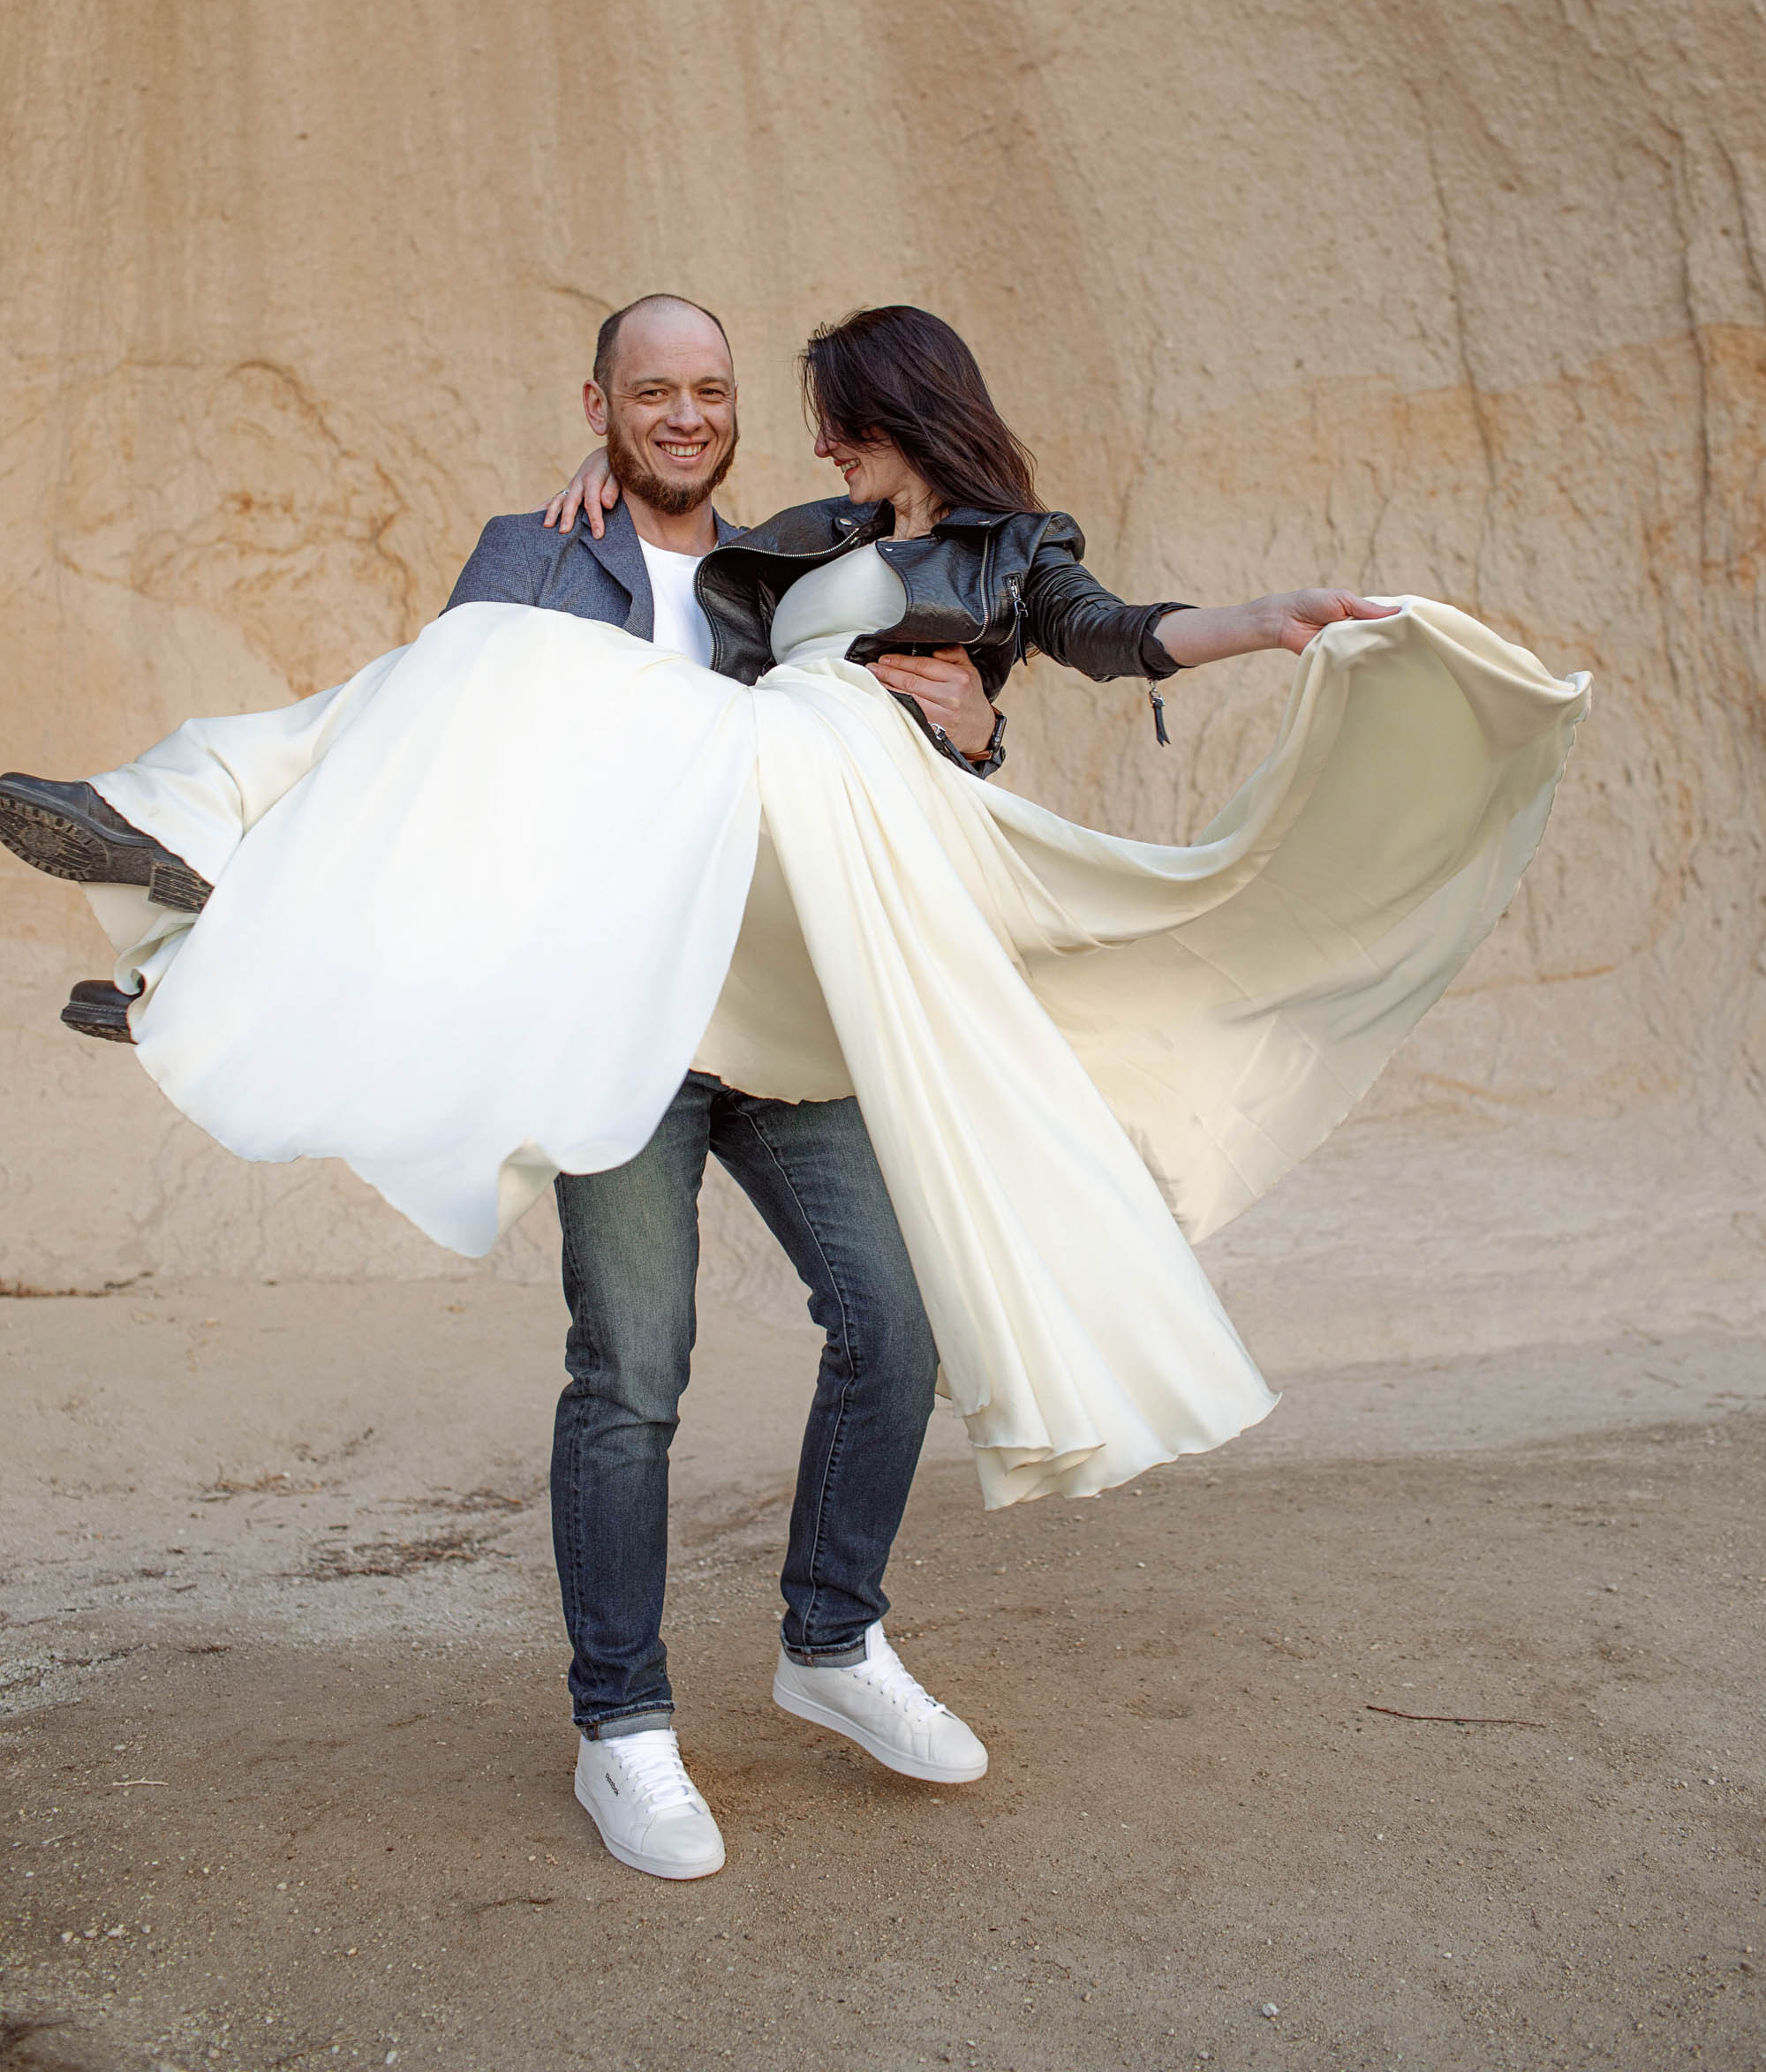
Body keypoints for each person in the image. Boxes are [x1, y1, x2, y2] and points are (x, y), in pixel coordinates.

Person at [0, 296, 1590, 1886]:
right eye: (650, 395)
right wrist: (583, 506)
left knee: (894, 1321)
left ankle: (832, 1642)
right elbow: (433, 787)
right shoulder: (541, 552)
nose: (695, 417)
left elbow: (1002, 679)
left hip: (797, 1008)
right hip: (630, 1025)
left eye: (717, 394)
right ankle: (621, 1728)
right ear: (602, 404)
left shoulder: (798, 554)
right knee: (631, 1366)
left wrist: (1011, 717)